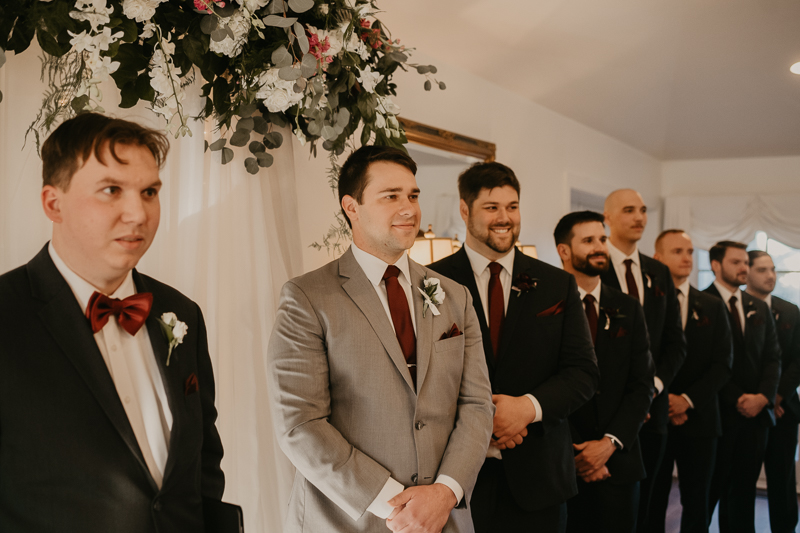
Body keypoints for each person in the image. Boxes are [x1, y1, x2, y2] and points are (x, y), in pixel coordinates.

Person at [0, 113, 226, 532]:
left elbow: (202, 469)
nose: (138, 213)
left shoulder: (181, 312)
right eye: (111, 190)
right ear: (53, 203)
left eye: (149, 192)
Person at [268, 146, 494, 533]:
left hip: (444, 518)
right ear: (352, 207)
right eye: (391, 196)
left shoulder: (456, 295)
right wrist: (394, 505)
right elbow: (300, 423)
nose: (409, 208)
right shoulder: (307, 297)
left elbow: (476, 403)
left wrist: (444, 493)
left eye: (413, 195)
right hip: (346, 519)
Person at [428, 162, 599, 533]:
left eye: (513, 206)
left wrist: (526, 408)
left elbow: (583, 373)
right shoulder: (431, 282)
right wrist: (480, 421)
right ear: (464, 210)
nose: (505, 218)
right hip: (455, 477)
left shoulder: (557, 285)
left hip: (539, 476)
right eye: (492, 207)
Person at [553, 211, 654, 533]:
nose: (599, 247)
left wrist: (608, 444)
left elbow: (642, 385)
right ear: (564, 251)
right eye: (588, 241)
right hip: (562, 462)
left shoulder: (628, 307)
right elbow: (540, 382)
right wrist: (579, 452)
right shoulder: (544, 306)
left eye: (602, 239)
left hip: (619, 460)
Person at [600, 189, 687, 531]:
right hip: (609, 411)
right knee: (612, 509)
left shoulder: (658, 272)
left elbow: (675, 343)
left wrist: (652, 387)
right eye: (628, 210)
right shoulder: (592, 265)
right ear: (607, 217)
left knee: (654, 502)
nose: (638, 217)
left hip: (654, 409)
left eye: (642, 210)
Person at [646, 230, 733, 533]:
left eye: (690, 251)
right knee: (652, 500)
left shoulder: (711, 304)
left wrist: (686, 400)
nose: (687, 257)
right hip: (653, 415)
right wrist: (665, 398)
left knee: (698, 501)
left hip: (701, 418)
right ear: (657, 258)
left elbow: (723, 364)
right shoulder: (643, 302)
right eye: (678, 251)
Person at [704, 241, 781, 533]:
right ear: (715, 265)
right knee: (708, 494)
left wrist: (763, 397)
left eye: (745, 263)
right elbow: (703, 363)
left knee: (743, 495)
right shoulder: (701, 302)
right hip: (718, 415)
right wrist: (737, 398)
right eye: (736, 262)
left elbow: (773, 358)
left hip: (756, 418)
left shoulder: (758, 306)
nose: (743, 268)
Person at [746, 250, 800, 533]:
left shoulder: (790, 310)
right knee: (742, 483)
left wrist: (775, 397)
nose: (771, 276)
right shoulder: (735, 308)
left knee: (783, 480)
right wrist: (762, 399)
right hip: (747, 411)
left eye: (773, 269)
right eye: (762, 270)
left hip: (784, 410)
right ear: (746, 272)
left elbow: (797, 360)